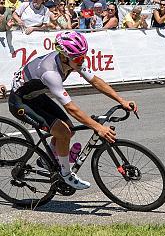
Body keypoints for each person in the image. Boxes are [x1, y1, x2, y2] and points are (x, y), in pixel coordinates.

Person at [8, 31, 137, 189]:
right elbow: (70, 107)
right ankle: (66, 174)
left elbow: (95, 81)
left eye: (83, 56)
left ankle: (46, 160)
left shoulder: (72, 60)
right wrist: (97, 127)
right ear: (63, 56)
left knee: (70, 128)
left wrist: (121, 100)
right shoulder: (50, 73)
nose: (81, 61)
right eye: (77, 58)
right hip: (20, 102)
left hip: (35, 96)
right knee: (63, 133)